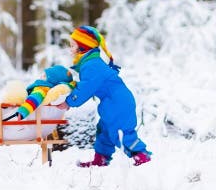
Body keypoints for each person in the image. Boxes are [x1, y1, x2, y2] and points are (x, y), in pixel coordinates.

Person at [56, 25, 151, 167]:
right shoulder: (90, 63)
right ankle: (100, 158)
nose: (70, 49)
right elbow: (87, 84)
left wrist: (69, 102)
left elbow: (86, 88)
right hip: (112, 102)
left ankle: (141, 155)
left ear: (83, 47)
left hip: (118, 102)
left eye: (72, 45)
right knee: (104, 130)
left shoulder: (92, 65)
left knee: (120, 131)